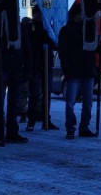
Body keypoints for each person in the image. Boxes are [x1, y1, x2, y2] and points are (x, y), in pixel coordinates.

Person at [57, 7, 97, 139]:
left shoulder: (89, 29)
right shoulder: (66, 30)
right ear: (75, 15)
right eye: (81, 14)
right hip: (74, 70)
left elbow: (96, 46)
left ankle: (84, 127)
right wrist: (67, 69)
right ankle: (71, 127)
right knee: (70, 102)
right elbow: (62, 52)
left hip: (87, 69)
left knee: (88, 101)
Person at [25, 7, 57, 131]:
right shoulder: (29, 27)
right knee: (34, 93)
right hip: (35, 65)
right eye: (36, 14)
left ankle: (46, 120)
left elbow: (55, 44)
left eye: (40, 14)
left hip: (46, 64)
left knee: (47, 94)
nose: (38, 16)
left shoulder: (48, 27)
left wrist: (49, 40)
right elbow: (29, 43)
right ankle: (31, 121)